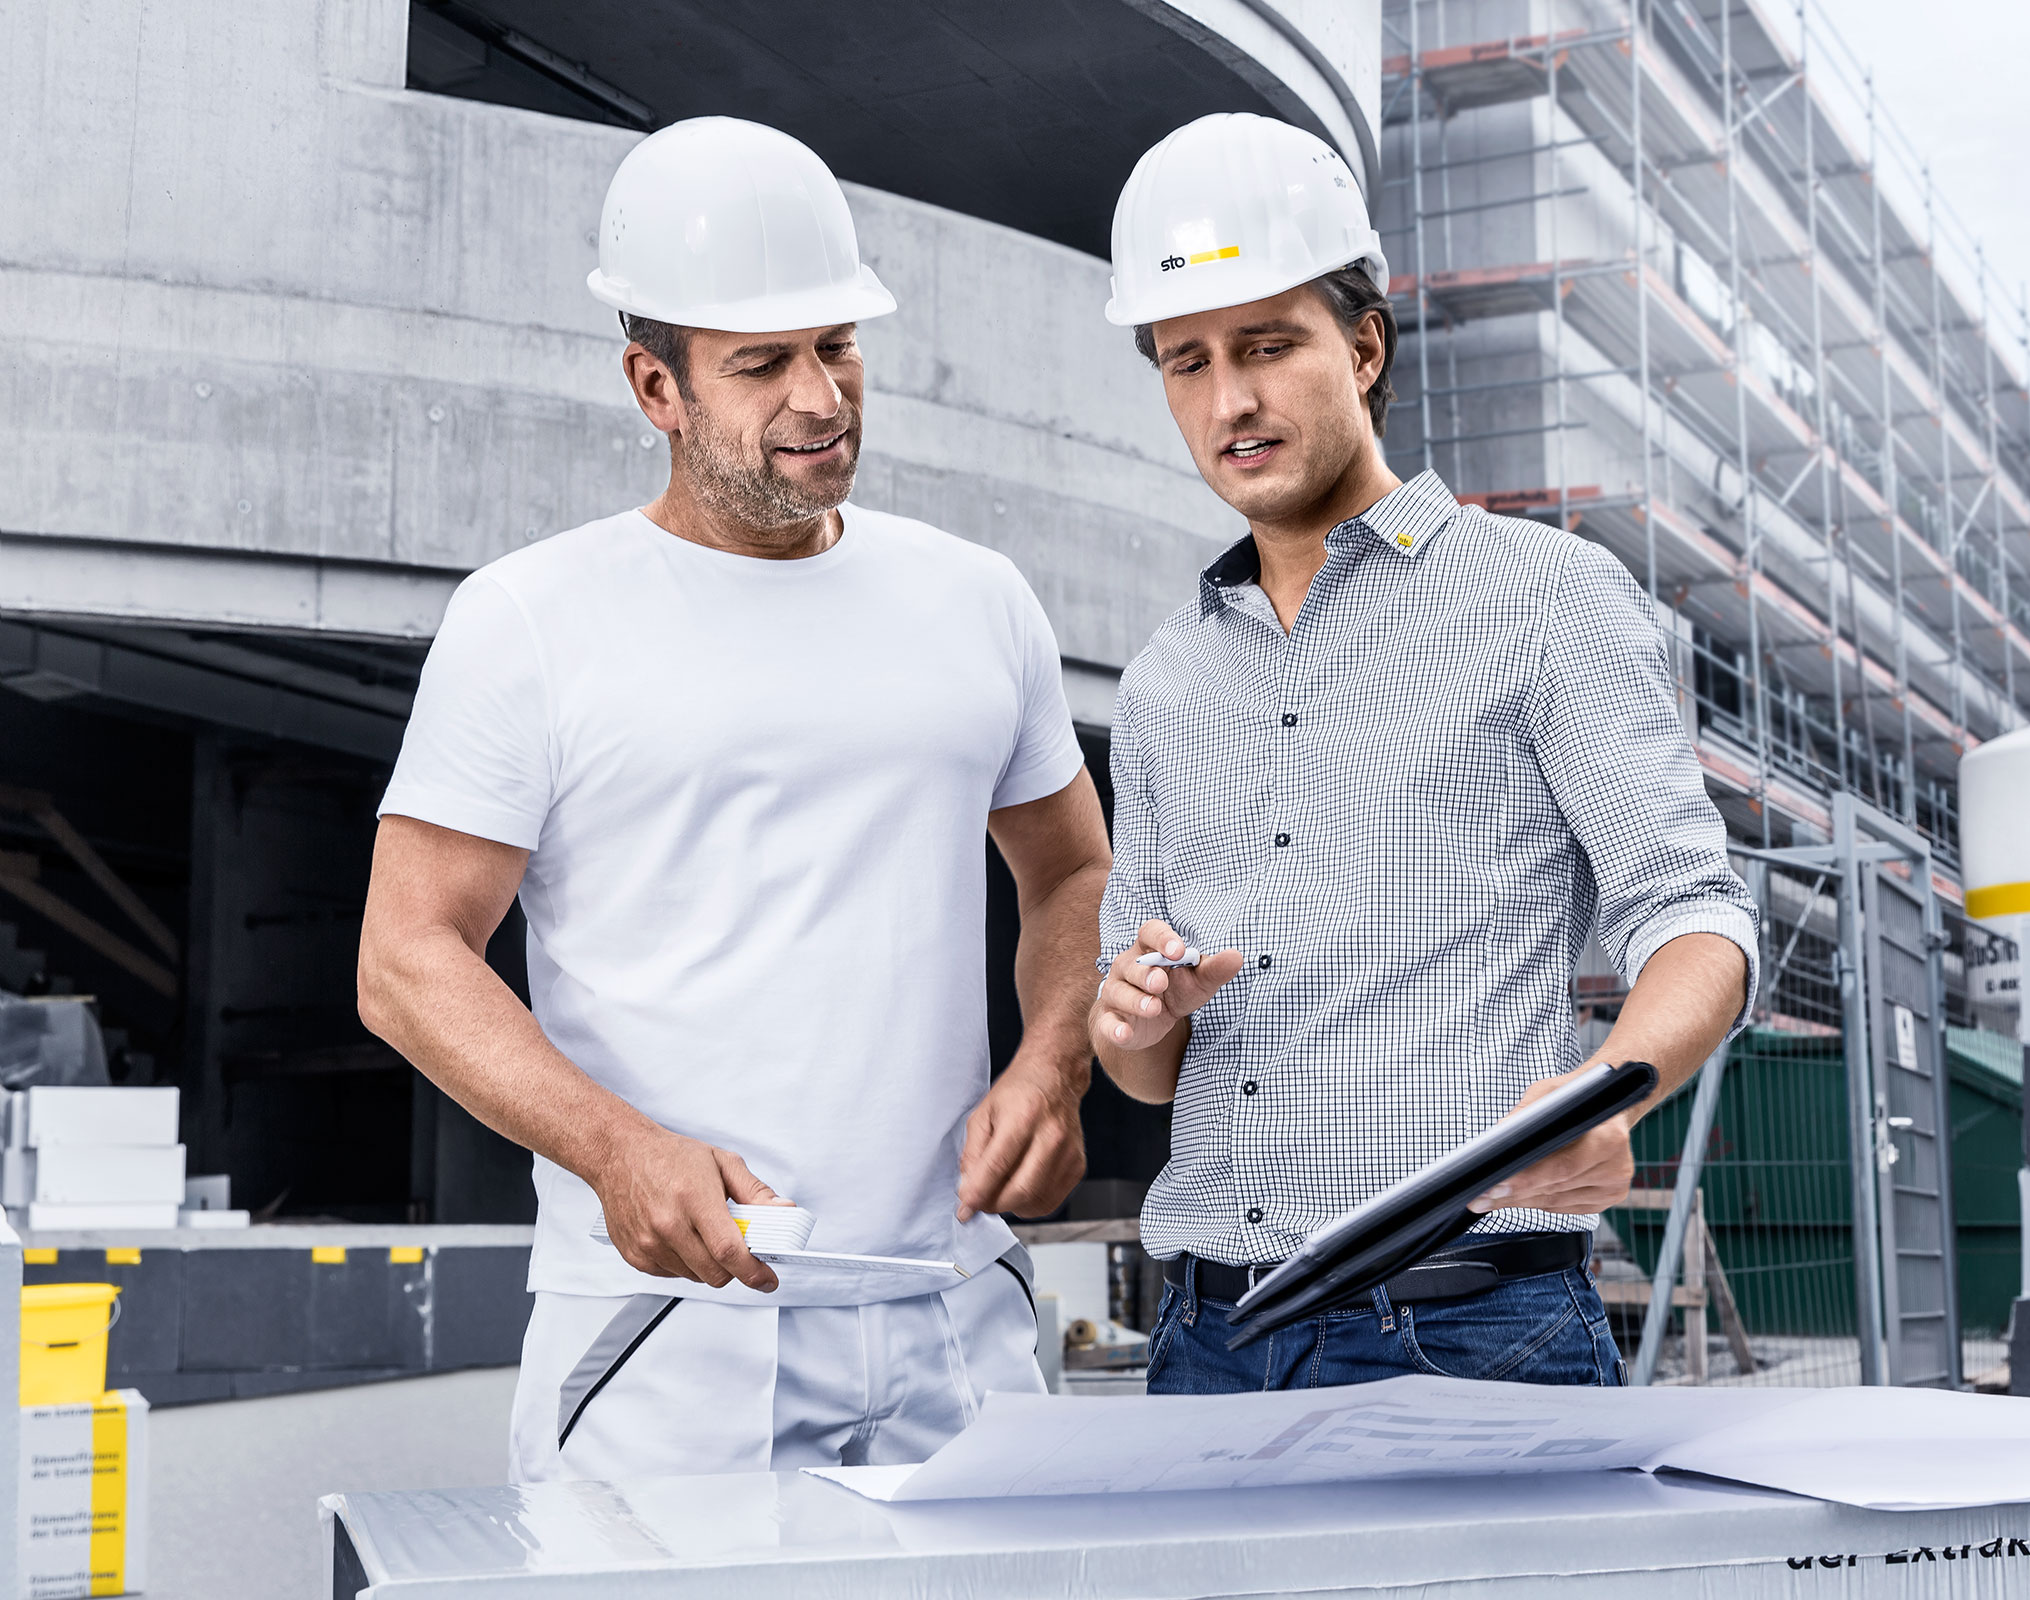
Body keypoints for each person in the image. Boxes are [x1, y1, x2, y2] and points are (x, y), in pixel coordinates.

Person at [357, 118, 1110, 1480]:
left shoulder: (977, 598)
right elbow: (406, 962)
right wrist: (615, 1150)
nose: (818, 399)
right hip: (671, 1331)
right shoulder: (531, 619)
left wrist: (1053, 1065)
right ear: (656, 385)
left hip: (956, 1312)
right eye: (762, 366)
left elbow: (1069, 871)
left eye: (837, 347)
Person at [1087, 114, 1759, 1394]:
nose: (1229, 398)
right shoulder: (1168, 677)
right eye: (1187, 361)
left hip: (1468, 1332)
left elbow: (1697, 916)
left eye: (1268, 345)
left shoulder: (1544, 598)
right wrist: (1132, 1014)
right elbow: (1140, 1061)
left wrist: (1609, 1097)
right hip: (1207, 1342)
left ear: (1364, 344)